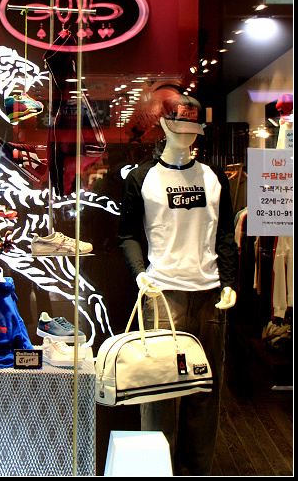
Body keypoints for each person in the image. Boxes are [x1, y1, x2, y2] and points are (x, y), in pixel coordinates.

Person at [117, 95, 238, 476]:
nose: (186, 134)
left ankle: (196, 469)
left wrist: (228, 282)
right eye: (179, 125)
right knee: (159, 391)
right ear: (165, 125)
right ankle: (158, 469)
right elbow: (126, 234)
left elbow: (225, 235)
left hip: (208, 294)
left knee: (205, 389)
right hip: (161, 294)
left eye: (192, 127)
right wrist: (140, 272)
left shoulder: (214, 178)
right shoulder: (142, 178)